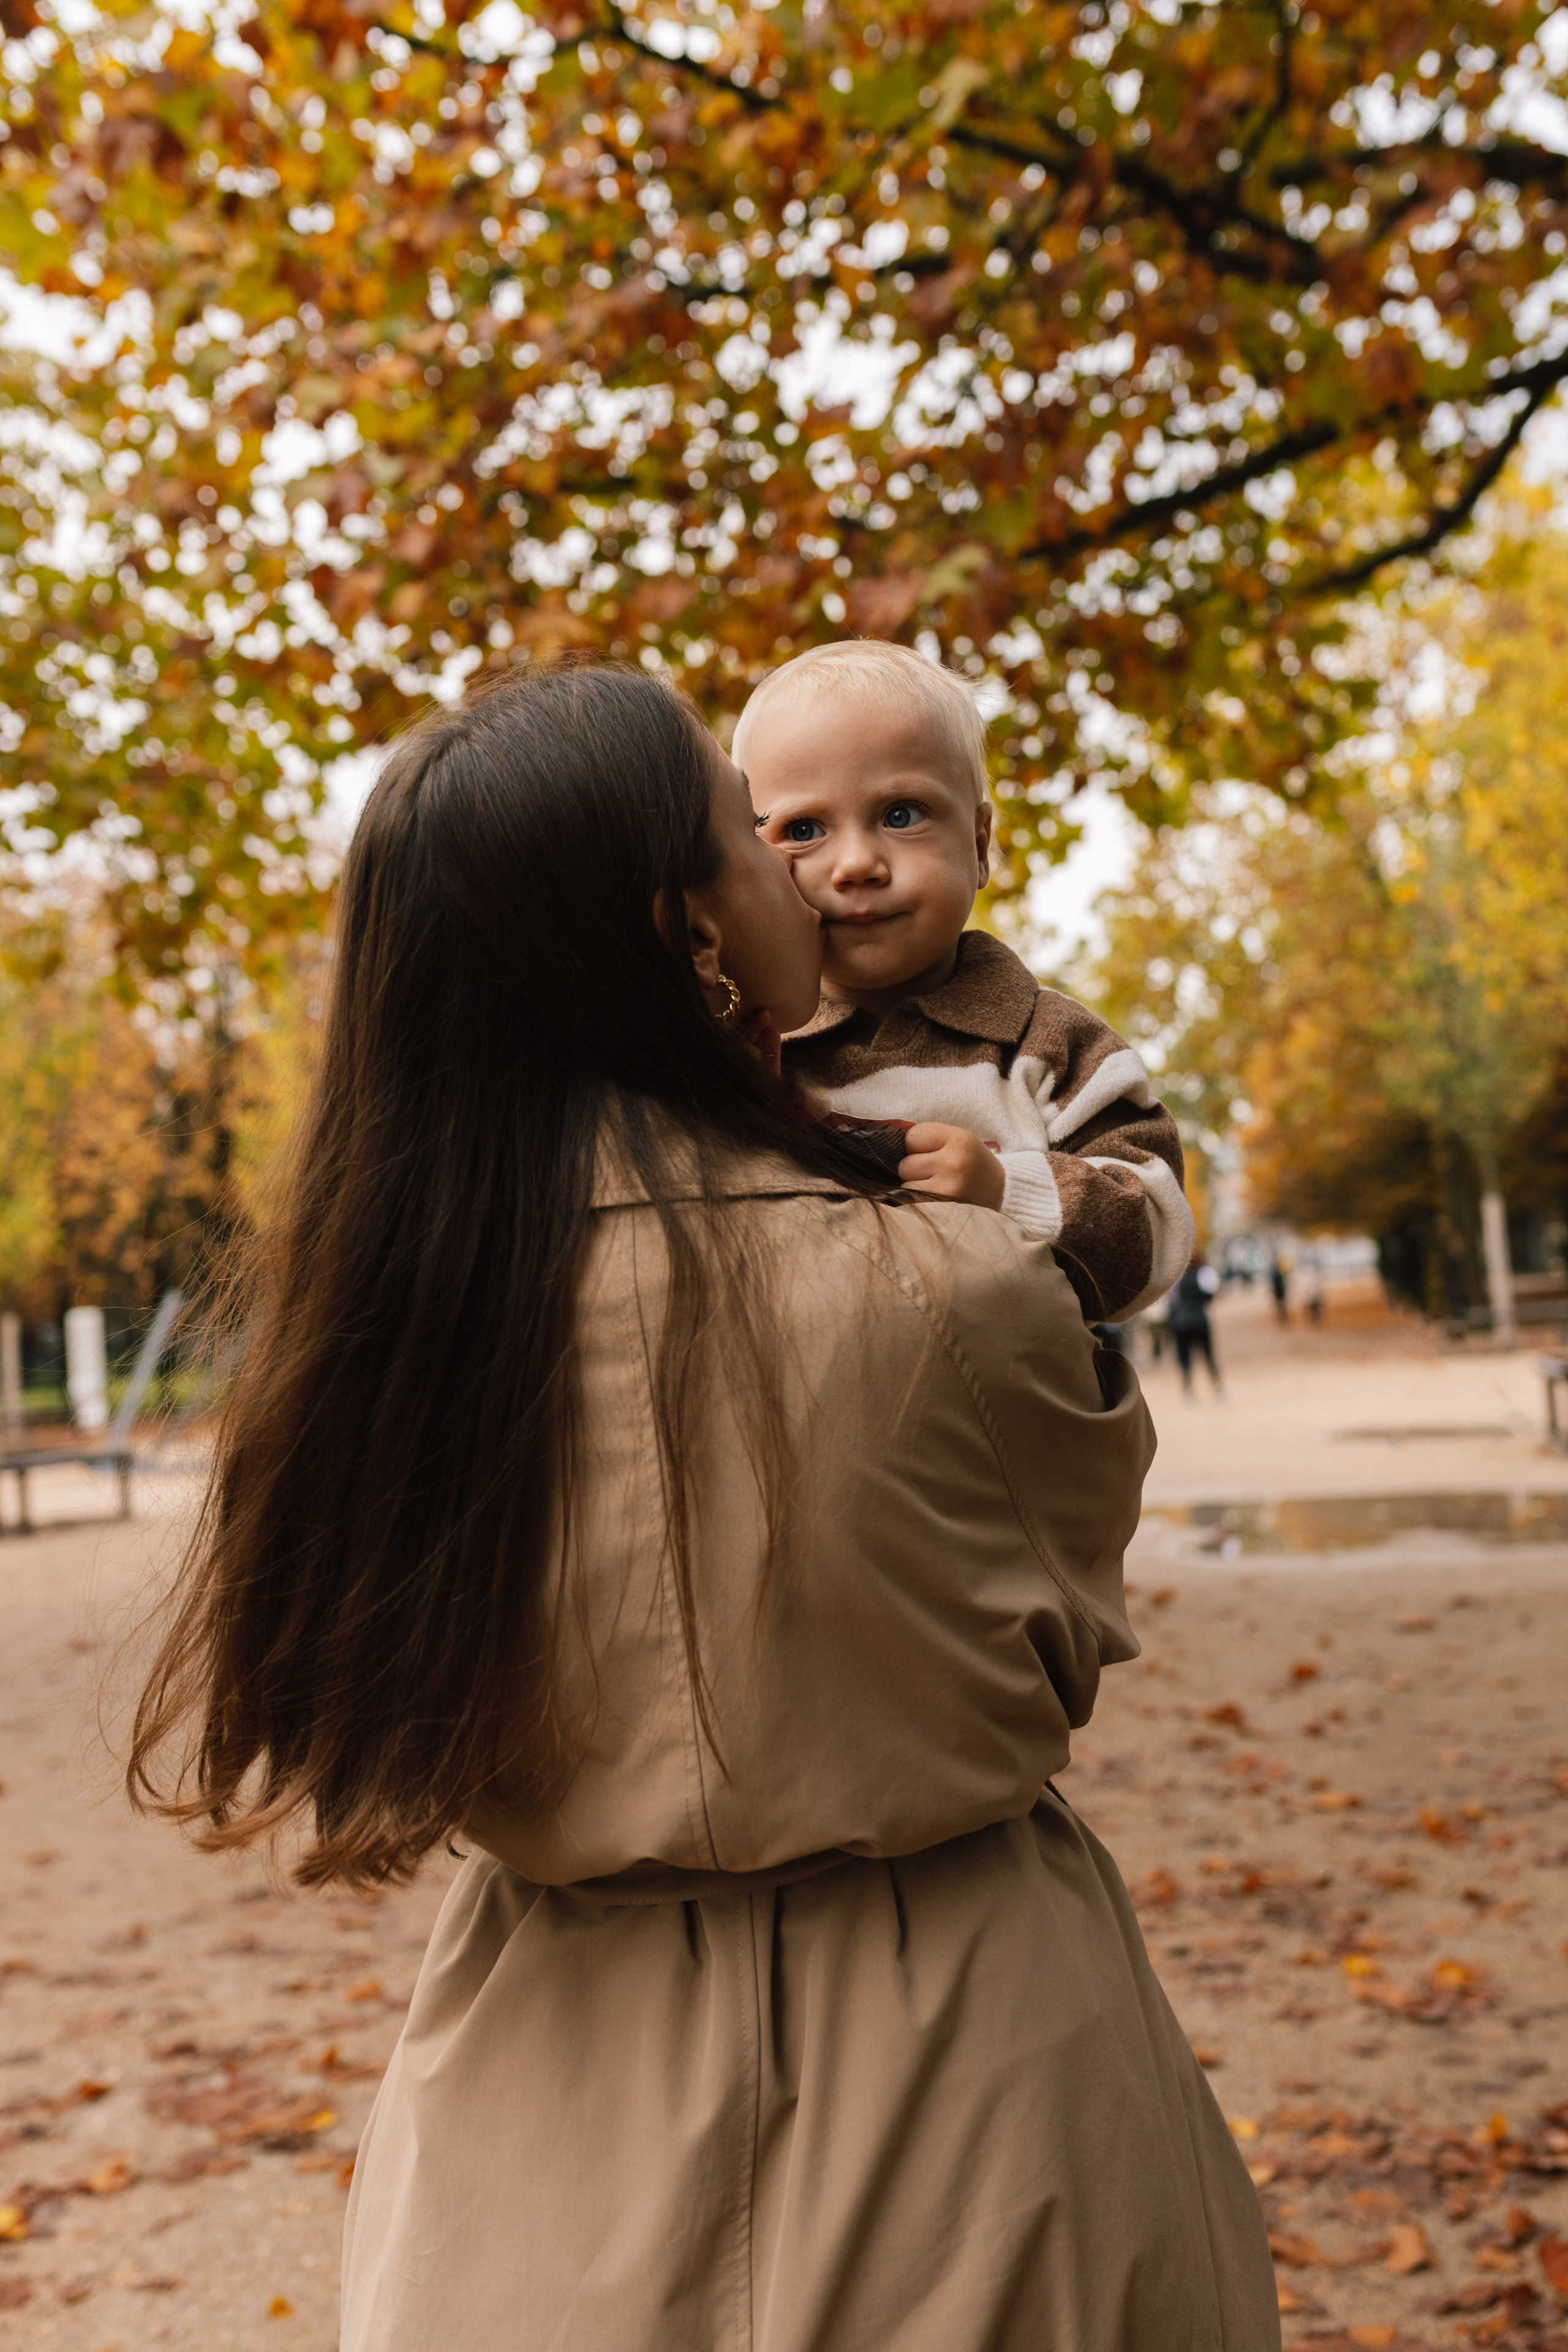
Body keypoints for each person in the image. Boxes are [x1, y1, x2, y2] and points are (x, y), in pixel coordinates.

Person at [127, 665, 1278, 2352]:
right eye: (757, 824)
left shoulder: (385, 1343)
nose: (813, 860)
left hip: (531, 2126)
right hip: (981, 2088)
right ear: (696, 935)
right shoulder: (949, 1286)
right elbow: (1062, 1596)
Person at [734, 640, 1194, 1325]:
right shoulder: (753, 1048)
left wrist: (1009, 1190)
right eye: (804, 829)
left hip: (1006, 1415)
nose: (856, 863)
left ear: (979, 845)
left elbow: (1157, 1228)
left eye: (900, 815)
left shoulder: (1047, 1043)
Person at [1169, 1252, 1226, 1403]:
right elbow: (1211, 1295)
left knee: (1185, 1360)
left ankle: (1188, 1394)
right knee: (1209, 1356)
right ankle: (1218, 1390)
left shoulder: (1176, 1278)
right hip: (1200, 1320)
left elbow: (1171, 1300)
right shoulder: (1204, 1274)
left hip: (1181, 1323)